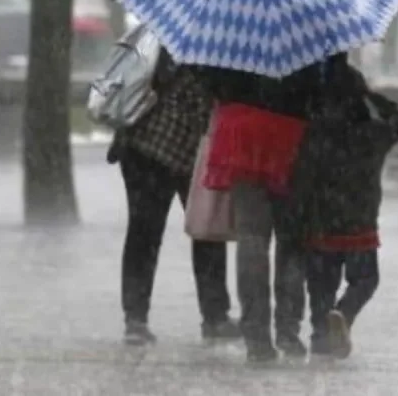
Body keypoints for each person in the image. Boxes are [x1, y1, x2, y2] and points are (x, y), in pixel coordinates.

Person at [194, 61, 327, 363]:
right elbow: (322, 90)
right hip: (291, 131)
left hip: (242, 128)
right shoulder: (307, 29)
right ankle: (288, 330)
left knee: (251, 236)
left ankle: (256, 337)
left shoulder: (233, 25)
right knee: (292, 240)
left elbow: (211, 79)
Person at [107, 48, 240, 346]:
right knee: (159, 232)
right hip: (155, 150)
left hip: (169, 152)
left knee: (188, 233)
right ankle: (144, 318)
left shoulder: (177, 39)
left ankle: (208, 316)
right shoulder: (208, 51)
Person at [285, 60, 398, 359]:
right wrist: (370, 95)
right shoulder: (374, 134)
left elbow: (301, 175)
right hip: (360, 220)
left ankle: (320, 336)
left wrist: (297, 214)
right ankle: (344, 312)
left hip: (321, 221)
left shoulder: (314, 132)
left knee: (321, 285)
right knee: (365, 279)